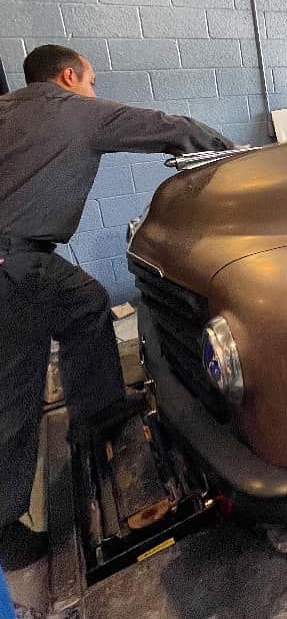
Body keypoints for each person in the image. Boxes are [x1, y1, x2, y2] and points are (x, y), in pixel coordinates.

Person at [0, 45, 234, 570]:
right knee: (14, 390)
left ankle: (99, 413)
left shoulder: (6, 109)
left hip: (25, 258)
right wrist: (234, 153)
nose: (93, 92)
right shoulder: (73, 110)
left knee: (86, 302)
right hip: (11, 264)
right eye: (91, 82)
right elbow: (167, 126)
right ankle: (4, 529)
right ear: (67, 77)